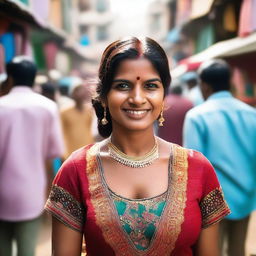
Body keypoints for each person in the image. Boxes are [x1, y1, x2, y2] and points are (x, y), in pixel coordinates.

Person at [45, 37, 230, 256]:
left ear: (163, 95)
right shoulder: (75, 170)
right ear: (104, 96)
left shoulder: (198, 168)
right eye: (123, 86)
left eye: (150, 86)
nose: (137, 98)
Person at [183, 59, 256, 256]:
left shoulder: (196, 116)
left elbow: (193, 166)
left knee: (209, 251)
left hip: (212, 201)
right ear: (229, 81)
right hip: (247, 196)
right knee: (237, 250)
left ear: (204, 86)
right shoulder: (252, 114)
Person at [0, 56, 64, 256]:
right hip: (31, 191)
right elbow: (54, 152)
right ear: (34, 77)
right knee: (27, 249)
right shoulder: (47, 107)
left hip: (1, 191)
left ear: (9, 78)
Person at [60, 84, 94, 159]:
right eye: (77, 91)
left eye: (82, 91)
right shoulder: (64, 112)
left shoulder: (89, 111)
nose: (80, 94)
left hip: (87, 152)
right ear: (72, 94)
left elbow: (89, 129)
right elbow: (60, 132)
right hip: (69, 153)